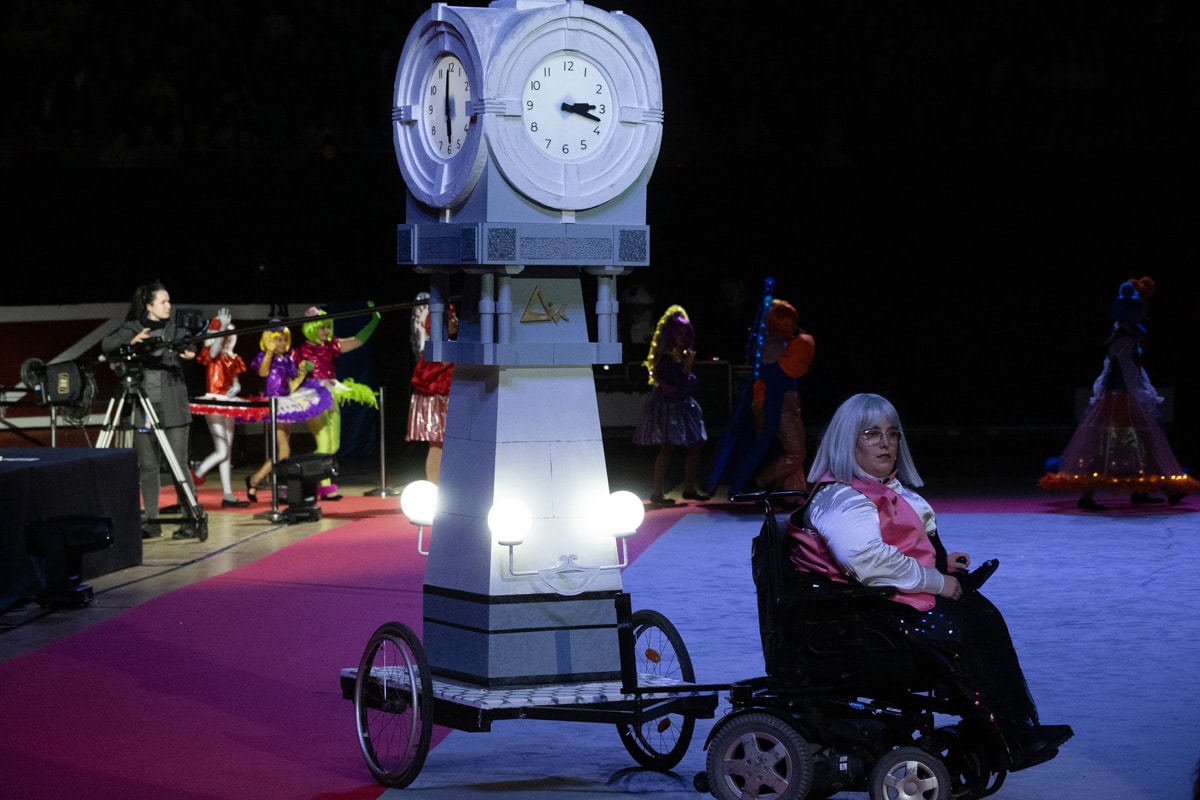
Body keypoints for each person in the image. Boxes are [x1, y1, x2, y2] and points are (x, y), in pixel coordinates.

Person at [788, 392, 1073, 772]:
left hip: (876, 603)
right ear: (846, 441)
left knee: (980, 616)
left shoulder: (879, 488)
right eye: (871, 434)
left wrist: (939, 562)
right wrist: (936, 581)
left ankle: (1005, 731)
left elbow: (894, 545)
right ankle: (1002, 735)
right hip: (851, 616)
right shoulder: (841, 498)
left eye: (892, 433)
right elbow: (867, 561)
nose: (886, 442)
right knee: (959, 627)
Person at [1039, 276, 1198, 509]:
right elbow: (1121, 367)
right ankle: (1089, 497)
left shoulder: (1128, 333)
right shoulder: (1124, 335)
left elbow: (1125, 367)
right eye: (1140, 307)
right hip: (1121, 395)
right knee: (1114, 444)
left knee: (1139, 443)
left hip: (1124, 393)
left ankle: (1146, 490)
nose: (1144, 311)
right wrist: (1139, 392)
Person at [101, 280, 201, 540]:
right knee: (148, 466)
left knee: (178, 465)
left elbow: (190, 345)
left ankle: (192, 520)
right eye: (163, 302)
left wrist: (189, 351)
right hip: (144, 407)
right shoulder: (133, 327)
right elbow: (107, 345)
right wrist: (132, 341)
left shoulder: (175, 328)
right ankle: (152, 522)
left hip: (174, 408)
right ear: (149, 306)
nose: (169, 306)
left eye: (169, 301)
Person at [295, 304, 380, 500]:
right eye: (322, 327)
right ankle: (325, 488)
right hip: (312, 396)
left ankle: (303, 472)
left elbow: (357, 341)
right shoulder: (303, 351)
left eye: (328, 327)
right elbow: (292, 375)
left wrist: (375, 320)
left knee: (333, 446)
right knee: (324, 443)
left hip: (332, 392)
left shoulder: (330, 346)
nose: (326, 331)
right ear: (312, 328)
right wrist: (302, 370)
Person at [733, 299, 815, 497]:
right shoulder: (773, 343)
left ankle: (790, 492)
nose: (790, 326)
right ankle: (758, 483)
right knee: (794, 451)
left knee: (783, 446)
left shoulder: (779, 342)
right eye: (786, 323)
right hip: (777, 400)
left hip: (782, 400)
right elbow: (779, 375)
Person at [243, 320, 331, 502]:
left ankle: (259, 481)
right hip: (272, 405)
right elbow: (263, 372)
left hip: (286, 404)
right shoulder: (264, 357)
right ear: (269, 340)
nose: (282, 343)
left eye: (284, 340)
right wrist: (269, 351)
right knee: (284, 450)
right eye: (278, 340)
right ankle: (267, 483)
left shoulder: (287, 360)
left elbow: (289, 387)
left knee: (283, 452)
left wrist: (301, 374)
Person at [632, 305, 709, 504]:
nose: (683, 337)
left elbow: (691, 384)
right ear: (671, 335)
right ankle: (657, 492)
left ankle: (689, 488)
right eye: (679, 333)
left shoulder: (684, 355)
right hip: (669, 407)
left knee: (695, 445)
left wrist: (688, 370)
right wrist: (687, 369)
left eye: (686, 333)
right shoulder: (667, 358)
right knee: (667, 448)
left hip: (683, 405)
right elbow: (676, 384)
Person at [188, 308, 250, 507]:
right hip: (214, 402)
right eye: (224, 334)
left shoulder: (232, 358)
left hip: (229, 403)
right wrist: (221, 327)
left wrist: (236, 387)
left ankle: (228, 494)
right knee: (222, 451)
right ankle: (195, 476)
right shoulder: (211, 355)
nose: (227, 338)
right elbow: (213, 352)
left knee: (227, 452)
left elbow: (235, 380)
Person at [406, 294, 456, 484]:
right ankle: (435, 486)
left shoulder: (450, 346)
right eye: (450, 317)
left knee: (447, 446)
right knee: (437, 445)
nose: (456, 321)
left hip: (448, 400)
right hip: (435, 403)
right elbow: (422, 376)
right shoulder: (433, 349)